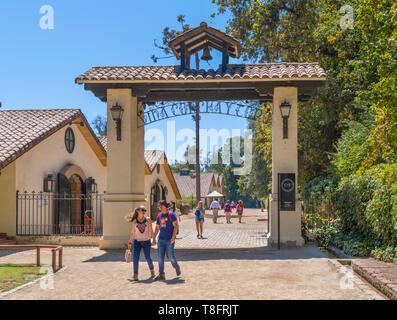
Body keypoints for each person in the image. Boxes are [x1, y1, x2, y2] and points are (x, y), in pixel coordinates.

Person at [152, 200, 181, 280]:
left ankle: (176, 266)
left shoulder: (171, 214)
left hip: (169, 240)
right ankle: (161, 274)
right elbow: (157, 227)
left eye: (159, 205)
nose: (158, 207)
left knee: (170, 256)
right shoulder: (159, 216)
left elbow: (176, 226)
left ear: (164, 206)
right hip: (161, 239)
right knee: (160, 258)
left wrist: (173, 238)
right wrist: (154, 238)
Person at [126, 205, 155, 281]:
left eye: (145, 210)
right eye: (142, 210)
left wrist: (154, 239)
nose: (144, 212)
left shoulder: (148, 220)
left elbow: (152, 231)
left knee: (148, 257)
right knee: (135, 258)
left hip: (146, 241)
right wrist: (130, 242)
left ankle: (152, 271)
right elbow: (133, 233)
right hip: (137, 241)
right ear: (138, 211)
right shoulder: (134, 221)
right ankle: (135, 276)